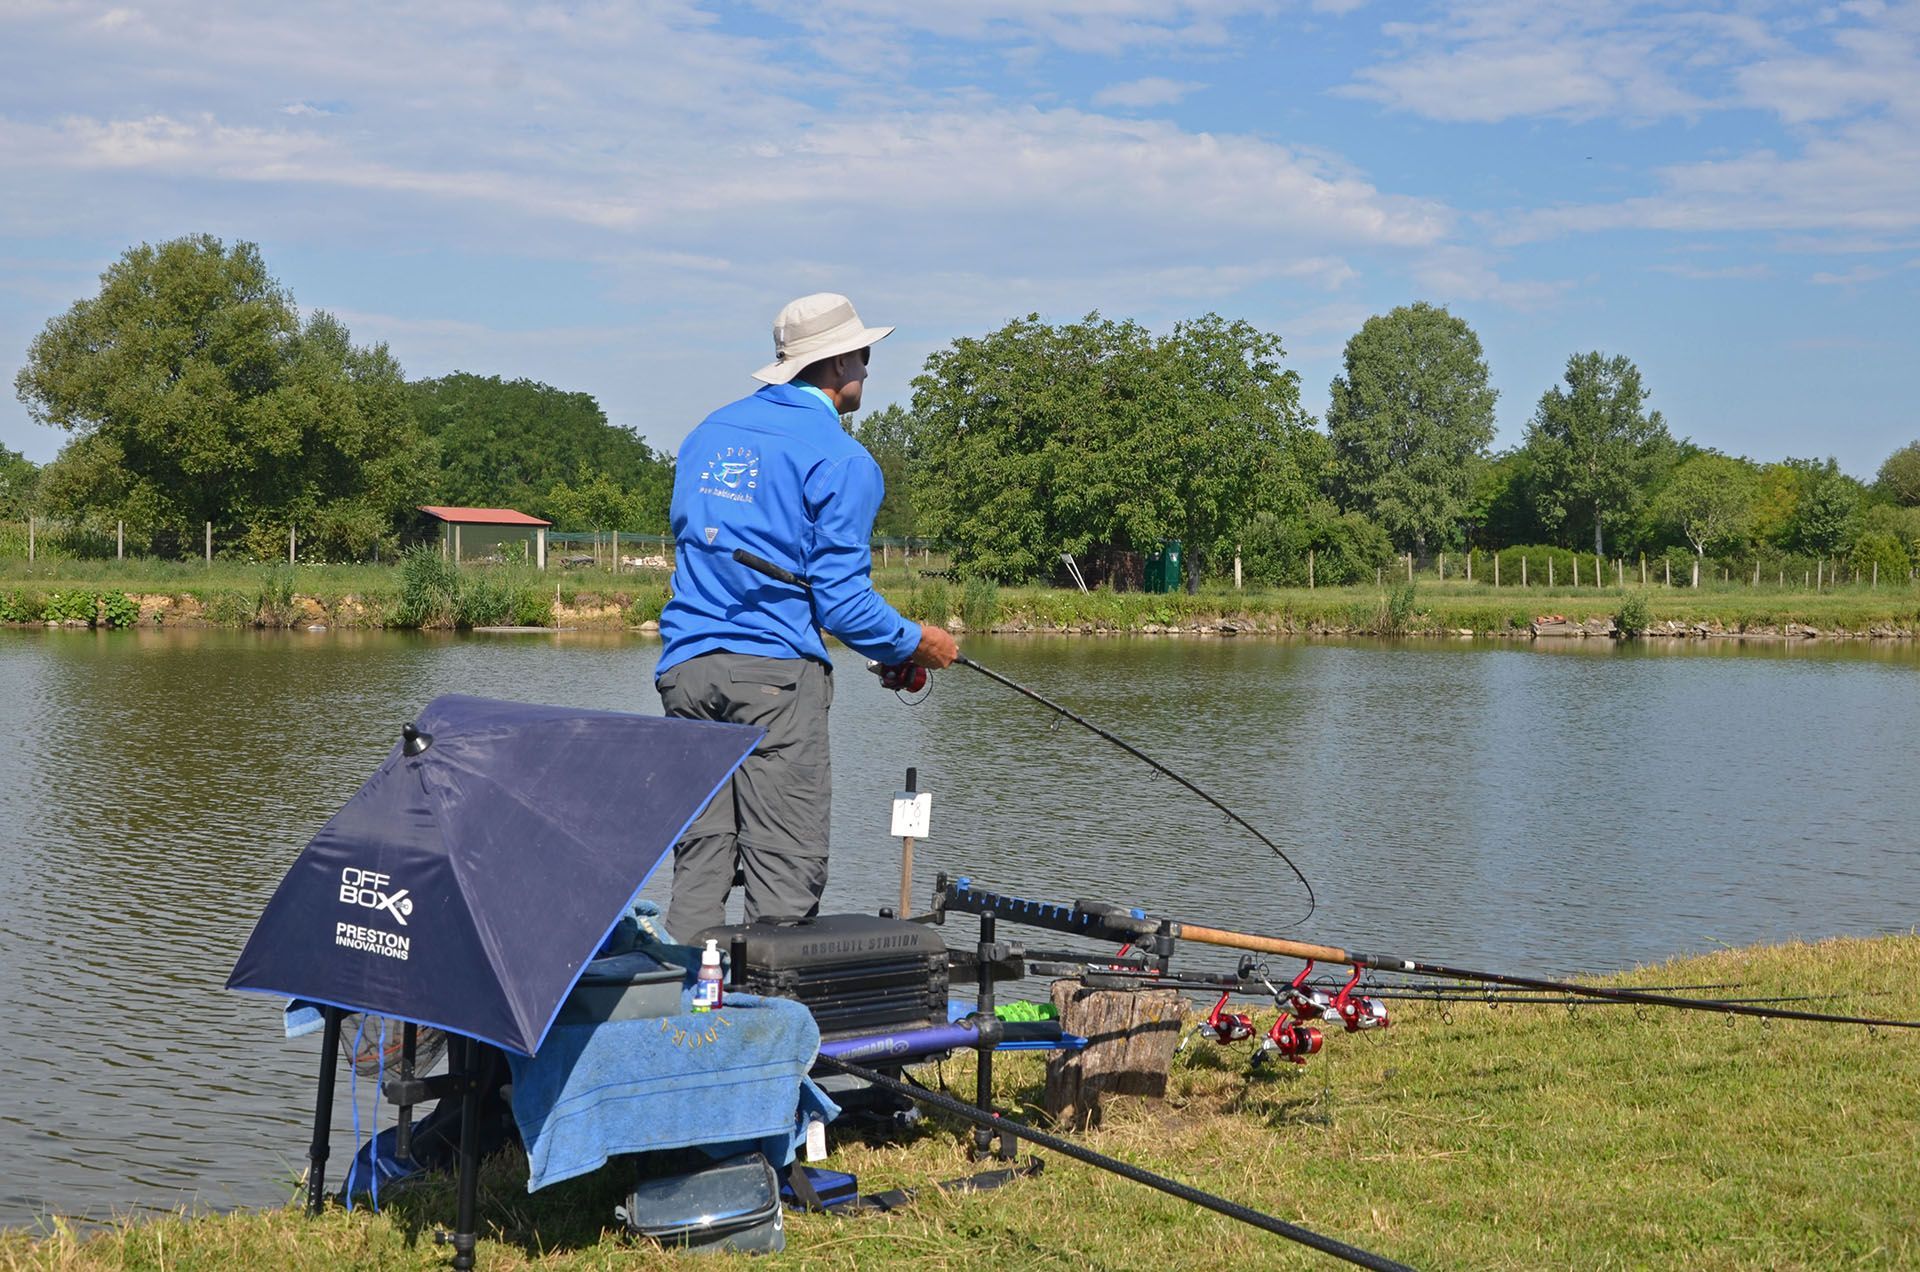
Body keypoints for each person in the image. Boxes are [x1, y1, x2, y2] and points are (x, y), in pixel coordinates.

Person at [656, 292, 958, 937]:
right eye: (866, 355)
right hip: (773, 681)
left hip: (684, 672)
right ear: (839, 361)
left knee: (701, 854)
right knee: (784, 862)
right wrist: (915, 642)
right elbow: (843, 602)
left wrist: (885, 646)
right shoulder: (843, 458)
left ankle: (680, 1012)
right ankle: (772, 1019)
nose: (870, 370)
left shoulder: (707, 433)